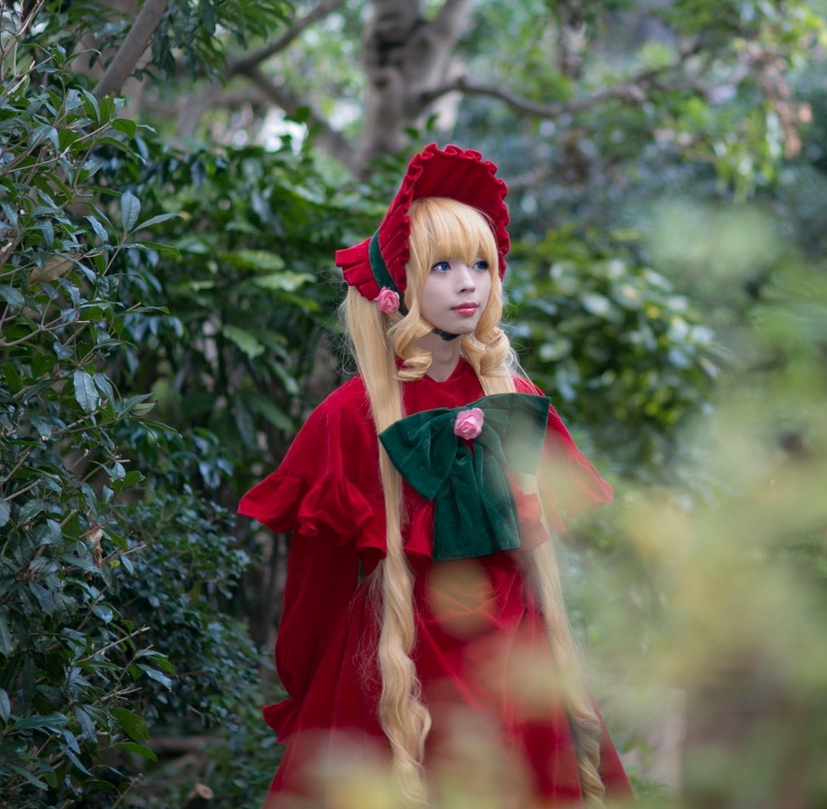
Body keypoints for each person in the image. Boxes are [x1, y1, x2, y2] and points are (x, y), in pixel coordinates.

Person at [238, 144, 633, 807]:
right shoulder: (349, 419)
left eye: (481, 265)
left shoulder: (517, 400)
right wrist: (315, 691)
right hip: (398, 670)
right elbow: (314, 588)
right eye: (443, 266)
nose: (469, 283)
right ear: (400, 284)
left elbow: (539, 558)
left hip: (517, 665)